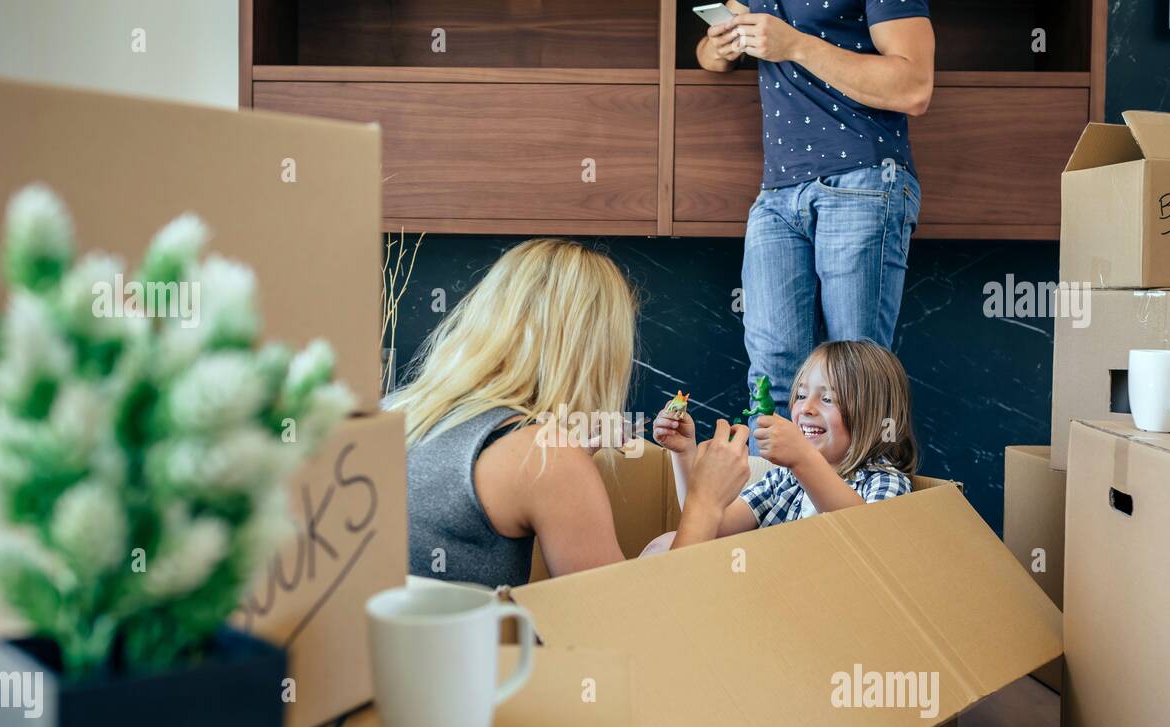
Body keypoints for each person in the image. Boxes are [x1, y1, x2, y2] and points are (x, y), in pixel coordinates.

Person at [385, 238, 752, 589]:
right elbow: (630, 622)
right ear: (594, 351)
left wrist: (569, 463)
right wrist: (705, 501)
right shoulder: (546, 459)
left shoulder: (394, 412)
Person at [697, 0, 934, 427]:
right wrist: (720, 47)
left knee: (854, 377)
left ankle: (861, 494)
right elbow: (709, 58)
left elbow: (913, 87)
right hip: (777, 194)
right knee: (771, 380)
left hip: (861, 180)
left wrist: (795, 45)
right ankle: (769, 495)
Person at [649, 339, 917, 551]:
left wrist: (803, 459)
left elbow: (872, 545)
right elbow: (707, 524)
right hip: (767, 595)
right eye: (800, 394)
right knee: (666, 544)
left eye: (827, 399)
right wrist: (684, 453)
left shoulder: (886, 482)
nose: (806, 408)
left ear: (872, 416)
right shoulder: (783, 480)